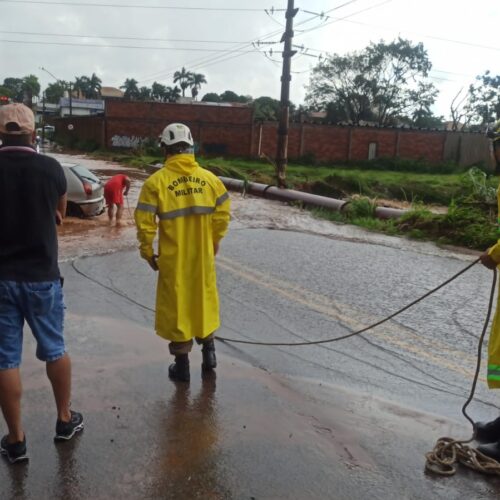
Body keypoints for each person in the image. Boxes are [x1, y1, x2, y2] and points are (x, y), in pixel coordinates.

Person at [0, 103, 83, 464]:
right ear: (35, 135)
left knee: (5, 360)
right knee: (55, 348)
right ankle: (65, 421)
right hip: (42, 279)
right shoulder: (51, 169)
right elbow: (61, 214)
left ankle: (16, 441)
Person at [134, 123, 230, 382]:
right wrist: (215, 240)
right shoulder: (211, 180)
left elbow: (144, 223)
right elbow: (223, 214)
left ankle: (182, 365)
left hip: (173, 260)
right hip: (202, 257)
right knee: (204, 301)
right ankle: (209, 354)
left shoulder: (156, 183)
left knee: (178, 308)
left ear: (165, 149)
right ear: (190, 148)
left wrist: (147, 252)